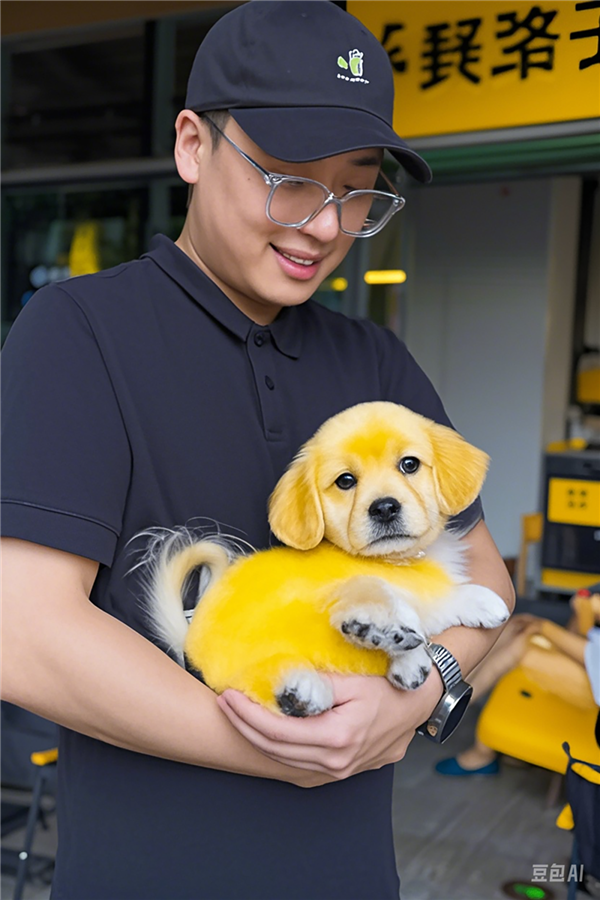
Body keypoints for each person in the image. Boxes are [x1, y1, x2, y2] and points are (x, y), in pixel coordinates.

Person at [0, 3, 515, 899]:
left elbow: (485, 578)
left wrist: (419, 690)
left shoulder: (377, 361)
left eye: (357, 189)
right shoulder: (80, 332)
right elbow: (25, 632)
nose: (324, 225)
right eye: (287, 179)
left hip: (351, 875)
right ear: (193, 145)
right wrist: (286, 747)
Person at [436, 589, 600, 775]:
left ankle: (453, 714)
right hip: (591, 660)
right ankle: (449, 690)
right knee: (517, 625)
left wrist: (544, 627)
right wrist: (583, 612)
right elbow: (583, 637)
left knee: (524, 647)